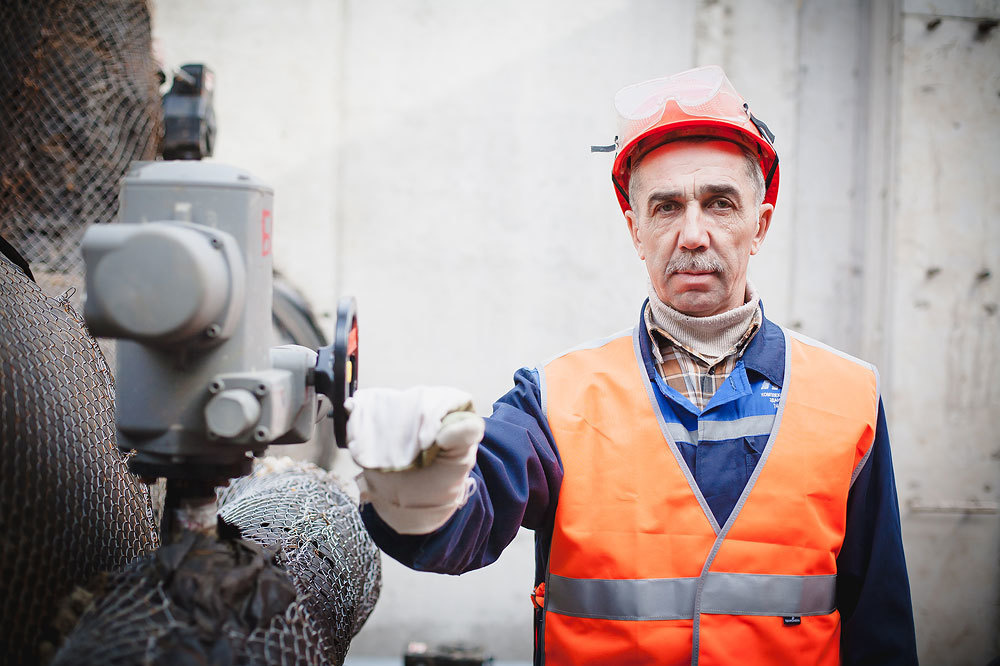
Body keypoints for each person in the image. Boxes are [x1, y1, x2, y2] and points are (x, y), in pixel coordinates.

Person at [345, 65, 918, 665]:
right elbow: (470, 525)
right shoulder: (555, 399)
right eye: (666, 207)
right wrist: (421, 493)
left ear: (760, 224)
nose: (693, 234)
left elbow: (879, 623)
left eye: (720, 203)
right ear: (636, 230)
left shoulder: (847, 398)